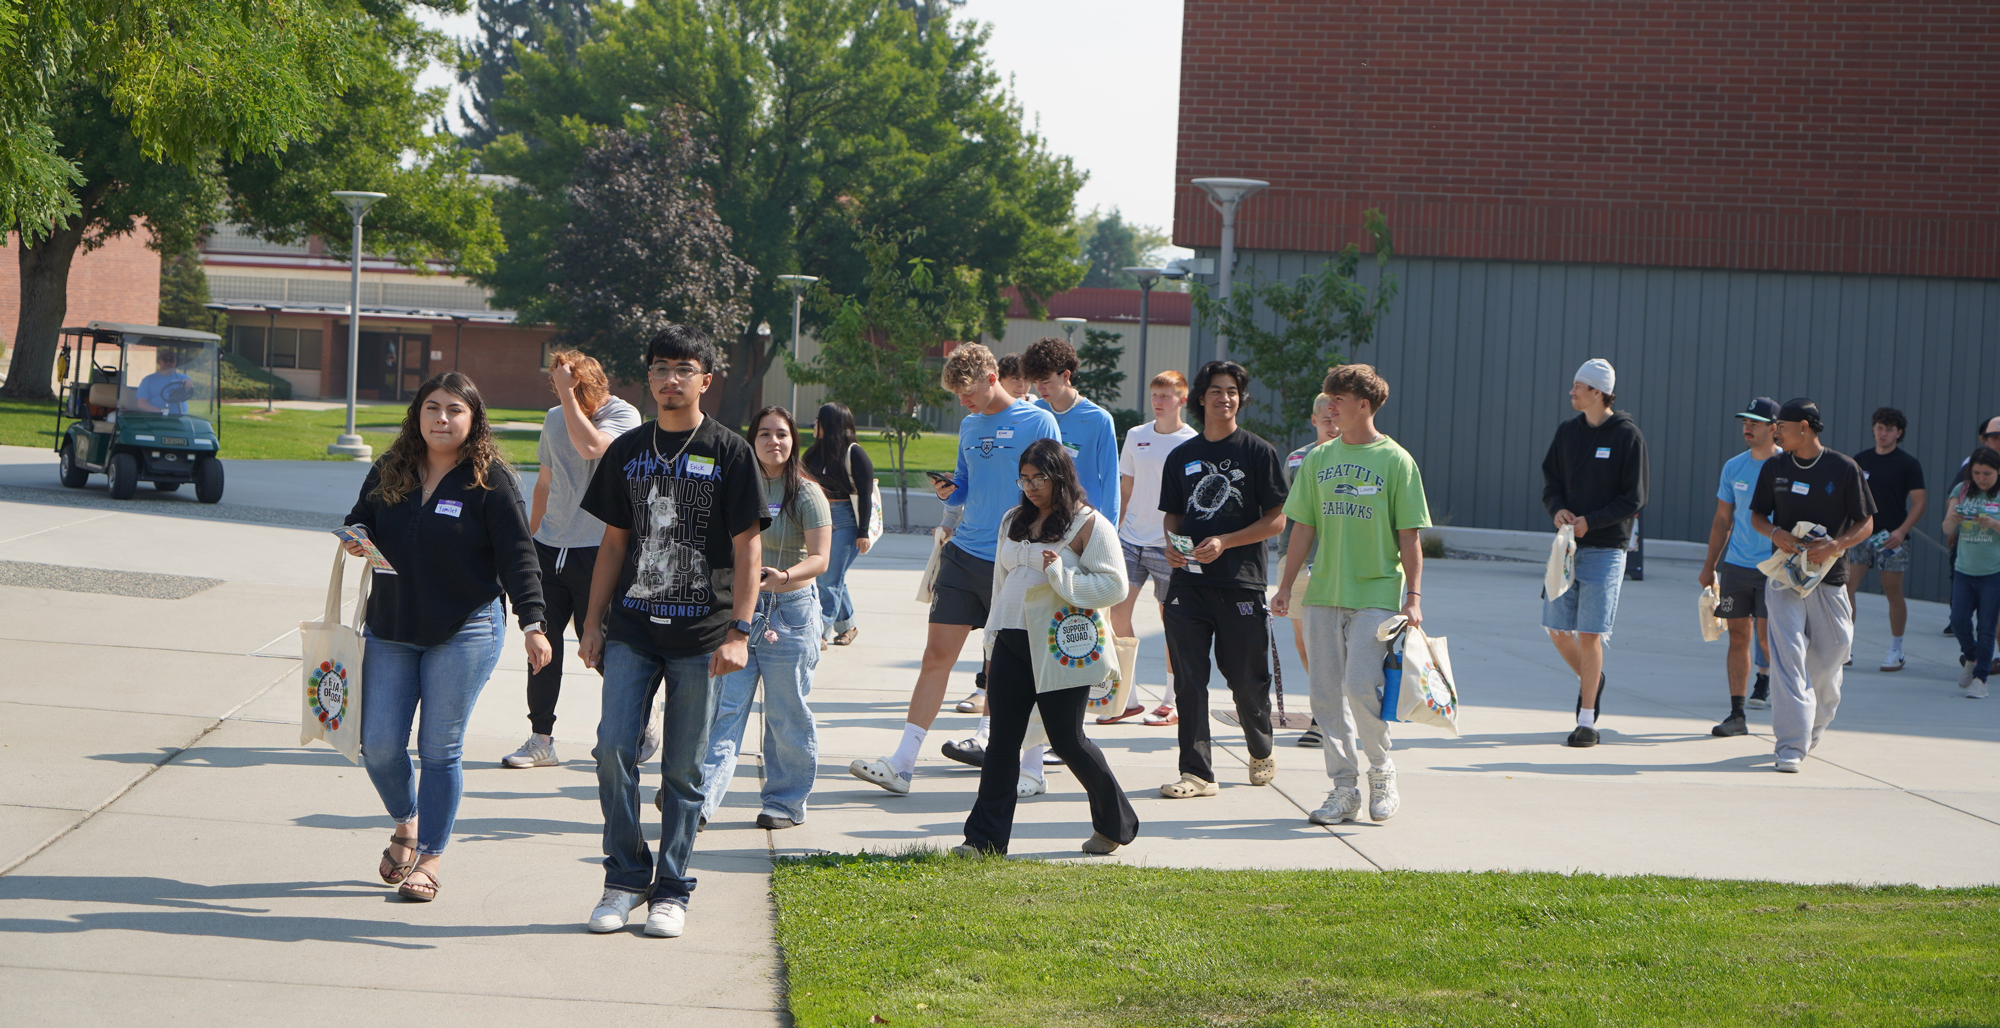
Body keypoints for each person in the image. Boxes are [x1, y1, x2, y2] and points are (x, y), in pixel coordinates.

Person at [576, 325, 764, 939]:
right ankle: (625, 879)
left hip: (704, 636)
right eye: (660, 368)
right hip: (632, 627)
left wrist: (739, 630)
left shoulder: (731, 452)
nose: (670, 379)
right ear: (649, 377)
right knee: (611, 752)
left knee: (683, 771)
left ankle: (672, 889)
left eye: (683, 369)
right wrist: (592, 623)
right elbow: (612, 544)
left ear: (705, 380)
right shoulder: (628, 450)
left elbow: (748, 550)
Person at [342, 371, 551, 902]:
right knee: (380, 745)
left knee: (439, 749)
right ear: (417, 414)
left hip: (464, 631)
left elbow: (518, 555)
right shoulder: (391, 468)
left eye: (454, 410)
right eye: (432, 407)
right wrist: (357, 536)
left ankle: (430, 859)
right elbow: (359, 517)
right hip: (391, 626)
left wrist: (533, 622)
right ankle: (406, 821)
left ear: (473, 419)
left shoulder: (491, 479)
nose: (441, 418)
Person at [849, 343, 1060, 795]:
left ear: (991, 379)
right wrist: (950, 491)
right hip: (963, 554)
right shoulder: (968, 425)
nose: (963, 404)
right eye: (957, 396)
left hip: (1016, 560)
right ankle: (902, 765)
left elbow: (1054, 487)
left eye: (967, 393)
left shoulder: (1037, 420)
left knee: (1014, 670)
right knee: (935, 657)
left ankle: (1032, 768)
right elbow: (964, 488)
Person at [954, 439, 1139, 856]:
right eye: (1024, 478)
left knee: (1068, 739)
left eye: (1040, 477)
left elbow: (1115, 586)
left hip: (1058, 643)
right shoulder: (1011, 520)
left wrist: (1062, 577)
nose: (1031, 486)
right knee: (1002, 741)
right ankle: (983, 840)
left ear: (1060, 476)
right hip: (1010, 639)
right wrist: (991, 638)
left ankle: (1115, 824)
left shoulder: (1089, 524)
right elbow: (1002, 583)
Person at [1273, 364, 1428, 825]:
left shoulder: (1397, 461)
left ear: (1364, 404)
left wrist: (1413, 596)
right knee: (1324, 696)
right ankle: (1344, 790)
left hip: (1377, 592)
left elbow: (1410, 536)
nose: (1331, 406)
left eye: (1339, 399)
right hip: (1323, 593)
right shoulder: (1319, 459)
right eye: (1330, 398)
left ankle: (1381, 772)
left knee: (1360, 686)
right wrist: (1284, 587)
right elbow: (1302, 527)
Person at [504, 351, 643, 768]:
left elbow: (590, 447)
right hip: (550, 547)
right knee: (541, 647)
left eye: (574, 388)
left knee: (599, 647)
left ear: (596, 386)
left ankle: (643, 712)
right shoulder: (553, 418)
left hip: (598, 550)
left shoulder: (625, 416)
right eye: (562, 387)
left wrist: (567, 395)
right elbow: (545, 481)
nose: (565, 395)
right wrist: (529, 539)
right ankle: (540, 739)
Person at [1157, 360, 1288, 798]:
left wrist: (1226, 541)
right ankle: (1197, 773)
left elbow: (1277, 521)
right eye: (1217, 390)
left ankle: (1259, 746)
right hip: (1188, 585)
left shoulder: (1258, 452)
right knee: (1189, 680)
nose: (1225, 398)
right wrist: (1172, 545)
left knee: (1246, 679)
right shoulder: (1181, 456)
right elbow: (1174, 512)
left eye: (1232, 391)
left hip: (1241, 583)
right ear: (1201, 398)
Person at [699, 406, 831, 829]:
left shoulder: (806, 493)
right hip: (740, 612)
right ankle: (699, 800)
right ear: (751, 440)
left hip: (790, 613)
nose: (773, 441)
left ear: (794, 441)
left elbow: (821, 559)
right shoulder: (736, 487)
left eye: (782, 434)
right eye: (764, 434)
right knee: (724, 709)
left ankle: (785, 802)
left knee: (785, 713)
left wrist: (784, 576)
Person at [1751, 399, 1873, 773]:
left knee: (1833, 653)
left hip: (1830, 578)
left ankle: (1815, 721)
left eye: (1782, 427)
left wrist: (1836, 546)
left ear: (1804, 427)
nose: (1776, 433)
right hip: (1784, 576)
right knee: (1787, 657)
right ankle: (1790, 743)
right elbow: (1757, 514)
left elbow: (1865, 522)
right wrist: (1776, 533)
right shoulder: (1774, 466)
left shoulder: (1844, 467)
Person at [1540, 358, 1647, 748]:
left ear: (1597, 393)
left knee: (1589, 634)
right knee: (1555, 628)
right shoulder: (1567, 433)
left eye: (1578, 387)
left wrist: (1593, 521)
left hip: (1605, 549)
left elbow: (1634, 498)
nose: (1571, 392)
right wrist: (1558, 511)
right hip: (1566, 546)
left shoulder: (1627, 436)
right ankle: (1593, 677)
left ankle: (1587, 720)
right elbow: (1550, 482)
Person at [1101, 370, 1198, 726]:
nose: (1158, 402)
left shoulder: (1193, 442)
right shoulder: (1136, 435)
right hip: (1129, 539)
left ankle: (1172, 699)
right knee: (1114, 615)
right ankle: (1128, 697)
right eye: (1155, 395)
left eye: (1167, 396)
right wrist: (1112, 530)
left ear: (1182, 400)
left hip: (1168, 545)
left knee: (1172, 623)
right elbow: (1124, 489)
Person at [1698, 398, 1782, 735]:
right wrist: (1710, 566)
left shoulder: (1787, 466)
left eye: (1756, 422)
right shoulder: (1734, 467)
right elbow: (1722, 520)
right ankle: (1737, 715)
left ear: (1774, 428)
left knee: (1767, 640)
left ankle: (1793, 710)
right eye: (1745, 421)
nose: (1748, 427)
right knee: (1737, 638)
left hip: (1775, 568)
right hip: (1736, 567)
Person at [1844, 407, 1926, 672]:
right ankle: (1845, 647)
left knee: (1893, 591)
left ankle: (1896, 649)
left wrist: (1901, 532)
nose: (1883, 433)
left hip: (1891, 538)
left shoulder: (1908, 463)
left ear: (1898, 433)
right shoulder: (1860, 460)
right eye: (1880, 427)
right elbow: (1849, 497)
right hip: (1860, 534)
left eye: (1889, 429)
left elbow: (1919, 502)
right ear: (1873, 429)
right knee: (1846, 589)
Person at [1281, 392, 1338, 747]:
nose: (1333, 425)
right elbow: (1286, 514)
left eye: (1337, 417)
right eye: (1326, 420)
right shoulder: (1296, 460)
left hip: (1335, 563)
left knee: (1328, 644)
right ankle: (1329, 705)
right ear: (1314, 421)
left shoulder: (1351, 457)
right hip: (1298, 561)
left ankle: (1323, 716)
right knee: (1304, 645)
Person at [1021, 336, 1120, 525]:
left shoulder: (1099, 419)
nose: (1040, 388)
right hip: (1040, 520)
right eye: (1035, 382)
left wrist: (1110, 533)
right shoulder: (1033, 413)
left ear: (1066, 376)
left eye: (1046, 381)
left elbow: (1111, 482)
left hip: (1082, 522)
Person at [801, 402, 873, 648]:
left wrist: (863, 532)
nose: (814, 424)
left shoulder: (854, 453)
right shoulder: (813, 453)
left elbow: (865, 494)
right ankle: (848, 625)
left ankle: (820, 632)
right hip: (816, 518)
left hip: (845, 520)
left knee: (828, 579)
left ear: (829, 424)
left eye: (818, 420)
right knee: (833, 577)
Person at [1943, 447, 2000, 699]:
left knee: (1986, 626)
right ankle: (1972, 657)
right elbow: (1946, 528)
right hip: (1964, 569)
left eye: (1987, 473)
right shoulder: (1962, 490)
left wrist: (1994, 524)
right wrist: (1954, 519)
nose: (1981, 478)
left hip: (1993, 571)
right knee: (1958, 619)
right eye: (1976, 472)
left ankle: (1981, 680)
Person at [135, 348, 193, 415]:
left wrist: (188, 383)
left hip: (179, 418)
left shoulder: (182, 378)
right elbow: (141, 403)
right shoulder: (148, 380)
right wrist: (159, 412)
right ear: (160, 361)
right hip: (155, 418)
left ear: (175, 362)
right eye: (165, 360)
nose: (168, 363)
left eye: (171, 360)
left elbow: (189, 384)